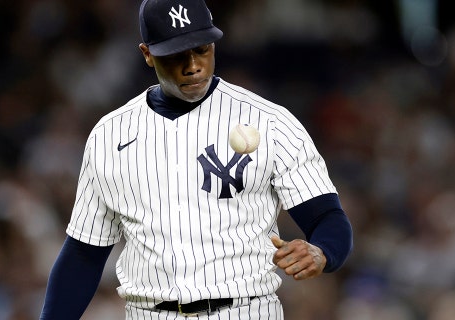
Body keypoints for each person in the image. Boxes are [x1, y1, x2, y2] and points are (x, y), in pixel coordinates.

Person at [40, 0, 353, 319]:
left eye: (201, 49)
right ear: (147, 54)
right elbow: (84, 254)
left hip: (244, 310)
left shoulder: (269, 121)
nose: (193, 65)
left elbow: (326, 216)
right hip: (149, 312)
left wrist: (321, 252)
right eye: (177, 54)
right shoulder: (109, 134)